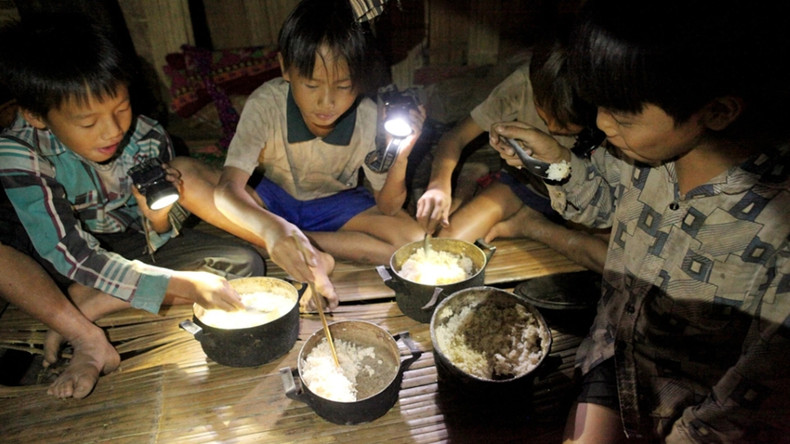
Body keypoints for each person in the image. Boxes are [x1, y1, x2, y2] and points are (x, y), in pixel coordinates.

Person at [490, 0, 790, 441]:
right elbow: (599, 205)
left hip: (694, 408)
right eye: (599, 105)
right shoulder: (640, 153)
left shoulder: (777, 222)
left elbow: (755, 395)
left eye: (623, 115)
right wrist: (556, 163)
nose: (601, 124)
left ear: (719, 110)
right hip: (613, 354)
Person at [0, 14, 268, 398]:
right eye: (88, 122)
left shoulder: (146, 136)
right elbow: (70, 253)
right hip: (52, 261)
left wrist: (156, 216)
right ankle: (80, 328)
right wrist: (179, 283)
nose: (112, 131)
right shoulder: (18, 151)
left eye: (120, 108)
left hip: (120, 244)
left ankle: (90, 303)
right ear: (37, 115)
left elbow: (156, 232)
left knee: (245, 265)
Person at [178, 0, 425, 270]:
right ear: (285, 68)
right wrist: (273, 228)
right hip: (271, 199)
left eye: (343, 86)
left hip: (334, 205)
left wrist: (401, 157)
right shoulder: (266, 103)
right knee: (181, 175)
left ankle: (298, 242)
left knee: (415, 239)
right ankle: (293, 240)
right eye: (311, 84)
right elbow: (228, 190)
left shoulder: (369, 117)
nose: (326, 102)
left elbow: (388, 207)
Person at [416, 39, 609, 273]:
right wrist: (438, 185)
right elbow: (454, 137)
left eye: (567, 125)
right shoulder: (524, 84)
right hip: (525, 185)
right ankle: (474, 182)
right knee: (447, 245)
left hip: (586, 199)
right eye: (544, 114)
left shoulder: (608, 106)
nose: (554, 128)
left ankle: (530, 226)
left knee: (611, 262)